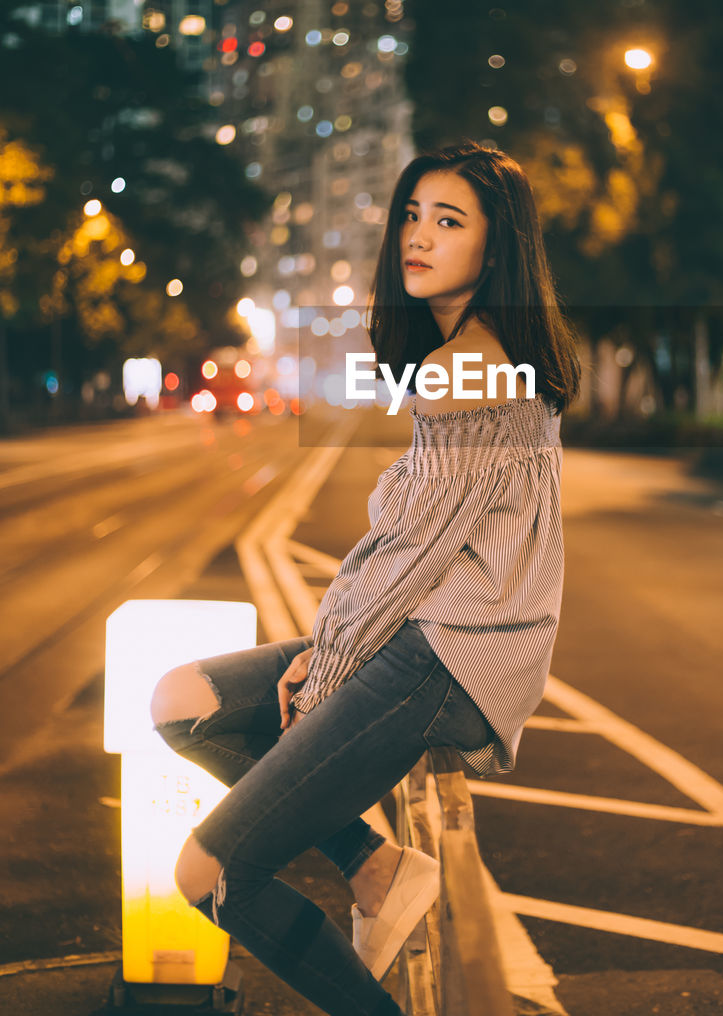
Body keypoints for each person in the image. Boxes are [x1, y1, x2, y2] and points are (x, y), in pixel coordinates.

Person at [150, 141, 582, 1016]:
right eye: (411, 216)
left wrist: (334, 659)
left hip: (446, 659)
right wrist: (334, 645)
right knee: (181, 700)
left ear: (494, 250)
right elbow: (411, 542)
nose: (417, 238)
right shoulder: (470, 352)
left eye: (447, 221)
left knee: (212, 872)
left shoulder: (469, 366)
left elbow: (412, 551)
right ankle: (375, 866)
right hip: (424, 637)